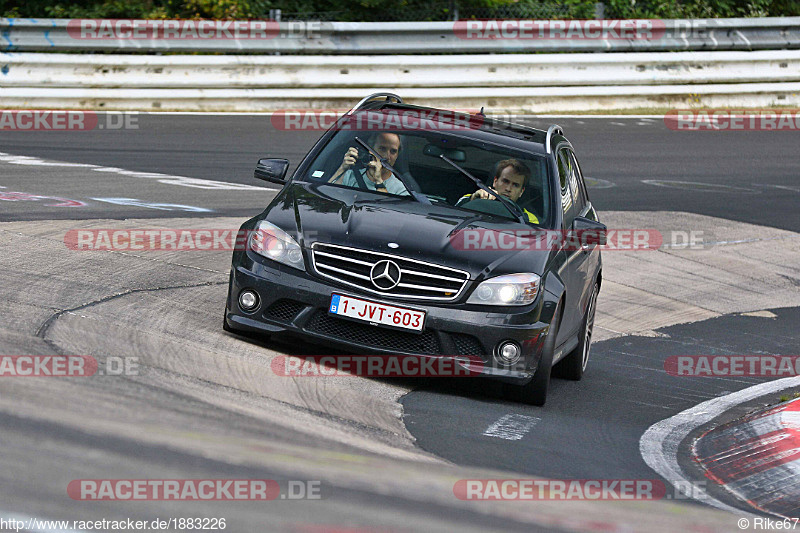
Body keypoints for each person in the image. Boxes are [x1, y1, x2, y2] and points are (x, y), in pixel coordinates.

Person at [456, 158, 538, 224]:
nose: (508, 189)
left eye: (515, 185)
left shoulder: (530, 219)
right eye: (505, 181)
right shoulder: (469, 198)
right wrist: (474, 199)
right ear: (495, 181)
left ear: (521, 192)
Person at [328, 132, 409, 196]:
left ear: (397, 155)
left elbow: (388, 215)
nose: (387, 156)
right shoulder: (350, 176)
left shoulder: (400, 190)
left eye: (393, 151)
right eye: (382, 149)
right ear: (370, 149)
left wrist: (379, 181)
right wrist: (342, 168)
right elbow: (327, 196)